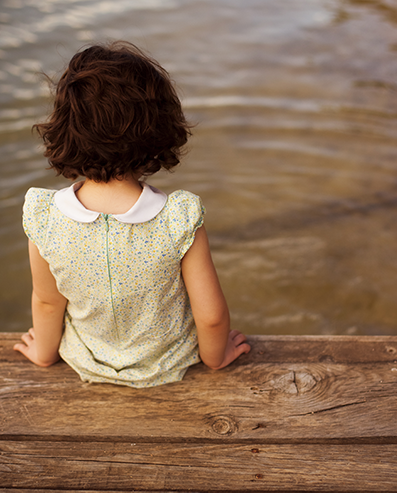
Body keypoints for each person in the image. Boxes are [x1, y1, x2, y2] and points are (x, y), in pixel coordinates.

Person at [14, 41, 251, 388]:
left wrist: (44, 354)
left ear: (66, 128)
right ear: (158, 130)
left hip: (88, 361)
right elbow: (212, 317)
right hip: (167, 363)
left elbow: (48, 302)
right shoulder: (177, 219)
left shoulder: (45, 216)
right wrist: (217, 358)